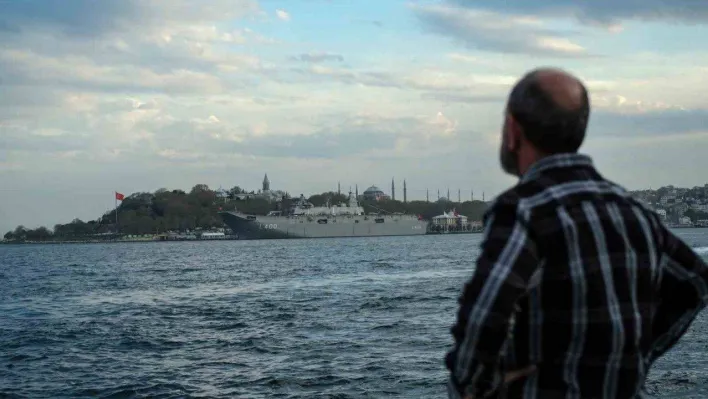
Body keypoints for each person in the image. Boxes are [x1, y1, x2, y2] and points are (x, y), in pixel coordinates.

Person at [445, 67, 708, 398]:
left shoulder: (524, 210)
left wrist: (476, 389)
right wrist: (639, 353)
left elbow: (484, 317)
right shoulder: (635, 212)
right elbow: (695, 282)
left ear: (513, 130)